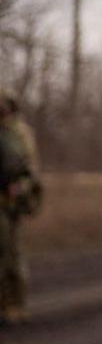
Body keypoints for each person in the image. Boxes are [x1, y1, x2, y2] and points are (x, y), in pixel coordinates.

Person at [0, 88, 39, 327]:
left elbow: (30, 171)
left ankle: (15, 304)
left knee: (11, 255)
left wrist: (21, 188)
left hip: (11, 201)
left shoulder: (20, 134)